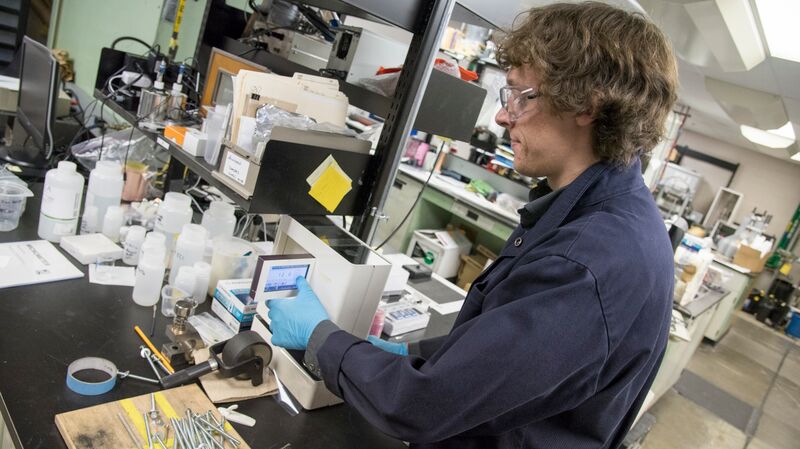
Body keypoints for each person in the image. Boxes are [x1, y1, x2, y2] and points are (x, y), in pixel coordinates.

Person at [267, 2, 678, 448]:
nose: (503, 116)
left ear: (587, 106)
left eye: (523, 96)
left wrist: (320, 337)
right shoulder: (605, 214)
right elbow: (500, 363)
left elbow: (422, 406)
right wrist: (407, 353)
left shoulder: (587, 261)